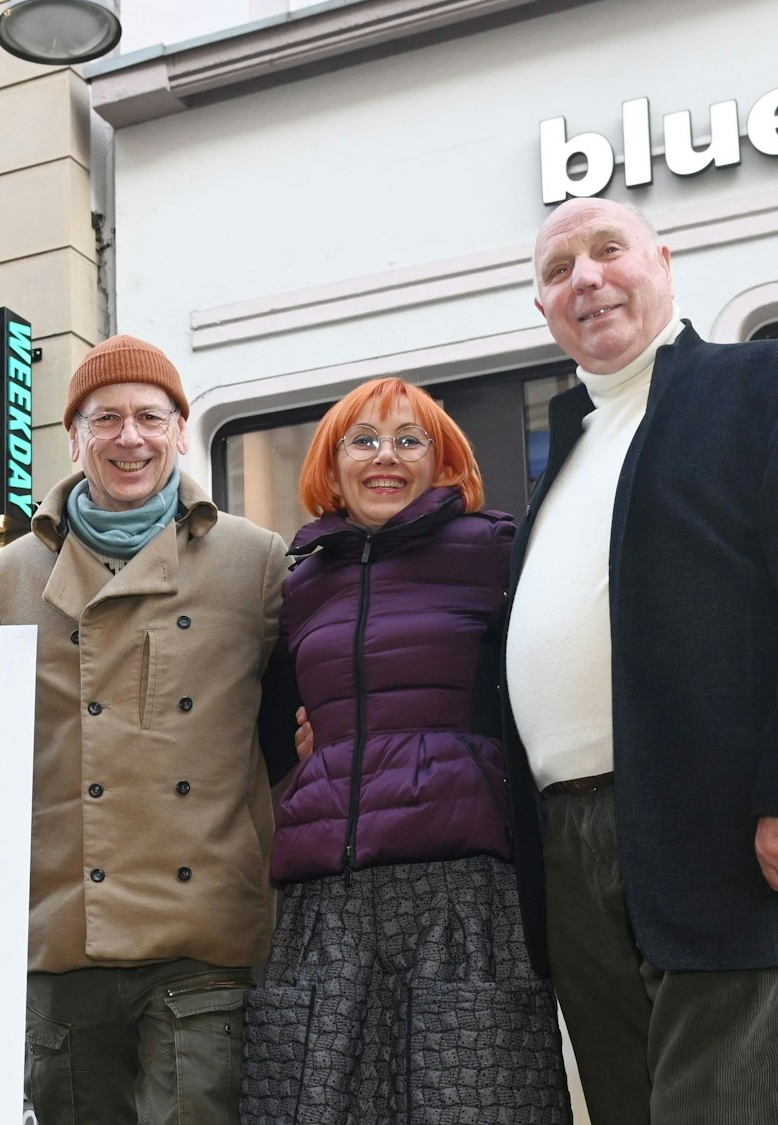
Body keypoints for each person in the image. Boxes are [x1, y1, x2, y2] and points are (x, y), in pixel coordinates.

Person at [506, 198, 778, 1121]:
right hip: (572, 845)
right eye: (559, 269)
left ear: (666, 262)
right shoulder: (564, 452)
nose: (587, 278)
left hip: (729, 831)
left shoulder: (775, 382)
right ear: (543, 307)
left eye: (608, 251)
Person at [0, 335, 286, 1124]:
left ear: (181, 429)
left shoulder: (254, 561)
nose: (129, 437)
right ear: (73, 437)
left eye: (150, 416)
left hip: (204, 931)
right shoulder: (9, 576)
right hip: (62, 933)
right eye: (104, 418)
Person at [241, 378, 568, 1122]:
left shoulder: (496, 550)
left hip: (460, 891)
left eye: (408, 439)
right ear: (333, 461)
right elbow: (273, 722)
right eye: (364, 439)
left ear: (442, 458)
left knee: (477, 1103)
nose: (385, 456)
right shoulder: (304, 582)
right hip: (330, 896)